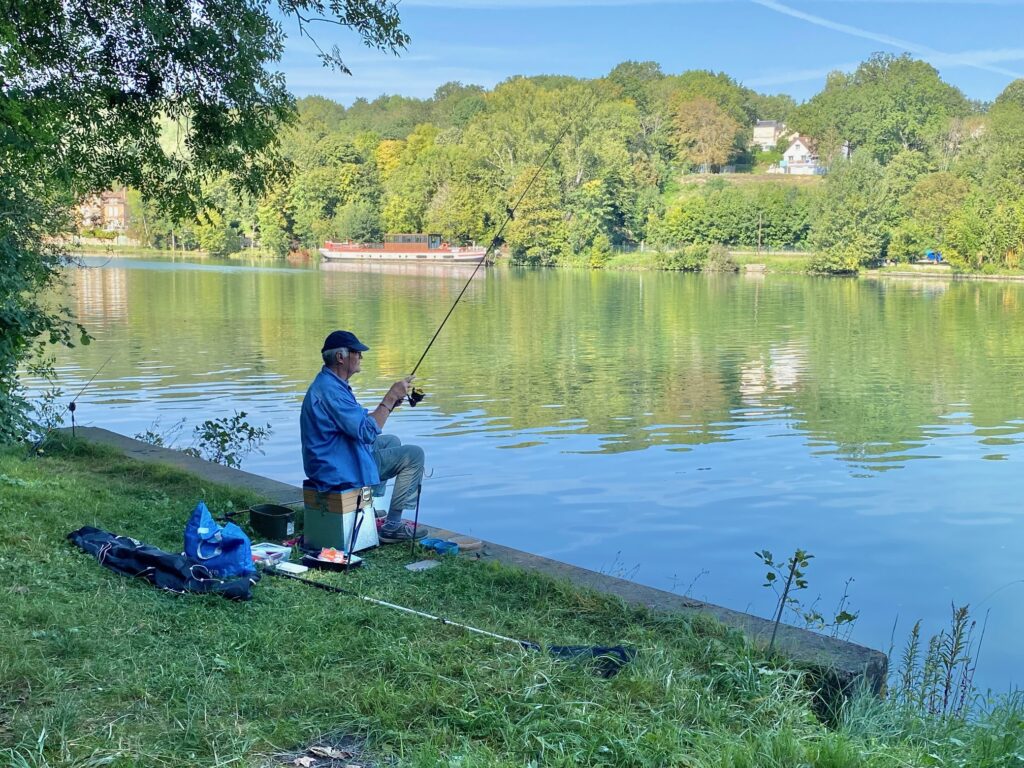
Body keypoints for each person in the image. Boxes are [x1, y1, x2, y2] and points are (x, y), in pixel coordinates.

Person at [300, 330, 428, 543]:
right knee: (414, 455)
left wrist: (391, 405)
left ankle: (369, 508)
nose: (361, 357)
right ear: (341, 357)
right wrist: (390, 396)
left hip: (334, 456)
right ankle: (393, 526)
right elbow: (366, 431)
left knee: (391, 441)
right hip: (335, 468)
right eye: (357, 353)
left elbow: (359, 424)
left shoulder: (330, 384)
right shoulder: (331, 391)